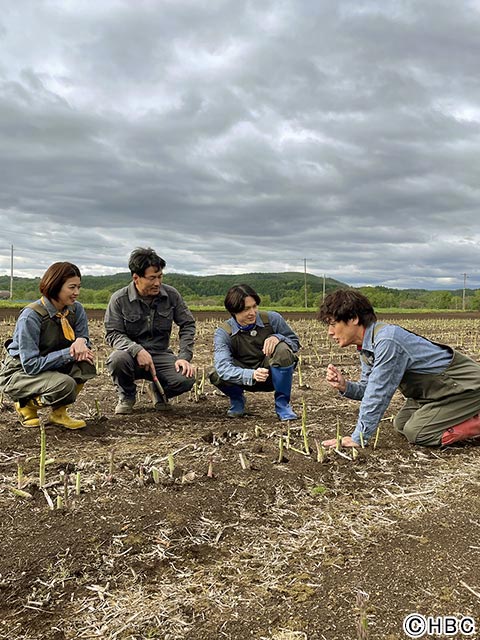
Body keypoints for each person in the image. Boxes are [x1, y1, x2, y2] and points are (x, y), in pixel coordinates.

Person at [318, 289, 480, 448]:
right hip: (436, 394)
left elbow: (378, 394)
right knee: (401, 424)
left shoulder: (388, 340)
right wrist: (346, 386)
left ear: (353, 318)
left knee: (417, 432)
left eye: (333, 324)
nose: (330, 332)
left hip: (466, 388)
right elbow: (369, 388)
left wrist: (359, 437)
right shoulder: (367, 347)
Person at [0, 262, 96, 429]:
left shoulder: (76, 310)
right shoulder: (31, 317)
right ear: (55, 286)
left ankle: (59, 414)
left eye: (78, 287)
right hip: (21, 372)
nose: (77, 293)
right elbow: (31, 364)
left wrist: (82, 341)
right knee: (65, 384)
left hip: (50, 364)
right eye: (72, 287)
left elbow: (83, 336)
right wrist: (70, 353)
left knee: (85, 366)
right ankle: (26, 406)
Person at [105, 247, 196, 414]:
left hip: (160, 354)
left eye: (160, 276)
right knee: (116, 360)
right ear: (136, 277)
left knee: (186, 378)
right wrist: (136, 349)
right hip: (130, 355)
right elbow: (112, 333)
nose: (157, 283)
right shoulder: (119, 299)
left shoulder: (171, 295)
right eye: (152, 278)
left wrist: (184, 357)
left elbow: (187, 324)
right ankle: (127, 395)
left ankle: (158, 391)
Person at [209, 284, 300, 420]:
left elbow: (295, 342)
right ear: (234, 310)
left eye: (254, 306)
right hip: (243, 377)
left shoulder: (272, 319)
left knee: (282, 349)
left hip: (271, 374)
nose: (253, 312)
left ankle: (282, 405)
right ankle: (237, 400)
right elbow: (223, 368)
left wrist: (277, 337)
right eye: (246, 309)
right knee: (216, 373)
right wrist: (251, 375)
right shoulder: (224, 333)